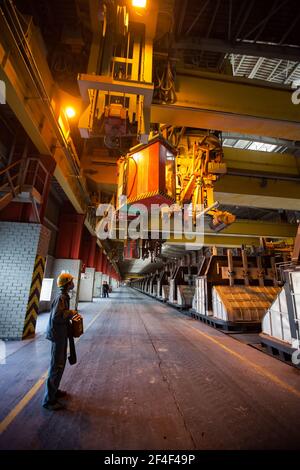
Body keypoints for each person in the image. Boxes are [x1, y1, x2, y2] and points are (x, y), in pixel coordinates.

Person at [42, 272, 75, 411]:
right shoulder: (61, 298)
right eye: (71, 281)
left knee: (60, 365)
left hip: (61, 335)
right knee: (56, 366)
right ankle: (49, 401)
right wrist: (70, 313)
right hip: (57, 336)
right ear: (67, 284)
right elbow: (57, 317)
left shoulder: (64, 297)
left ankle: (54, 391)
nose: (73, 283)